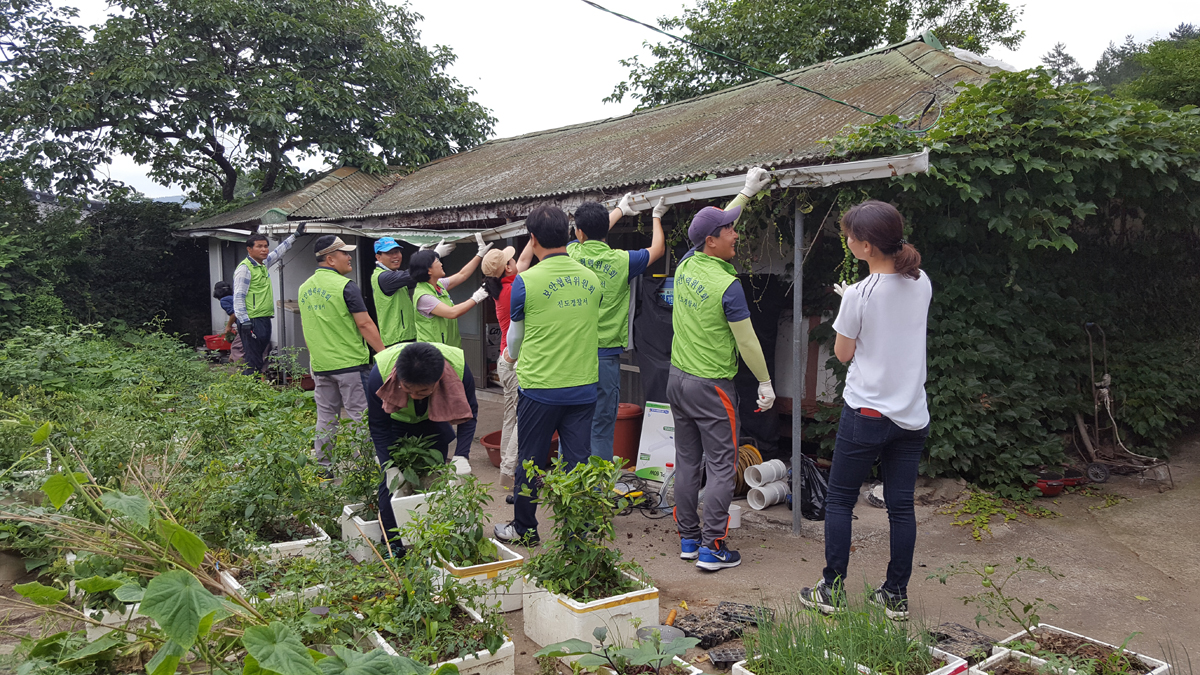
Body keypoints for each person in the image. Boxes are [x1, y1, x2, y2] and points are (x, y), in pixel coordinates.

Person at [799, 200, 931, 621]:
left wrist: (847, 306)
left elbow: (842, 353)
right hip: (912, 414)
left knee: (839, 500)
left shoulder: (859, 294)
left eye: (850, 237)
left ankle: (831, 590)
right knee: (901, 506)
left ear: (868, 246)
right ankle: (895, 595)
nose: (848, 241)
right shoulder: (922, 281)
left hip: (867, 414)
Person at [669, 167, 775, 572]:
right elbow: (748, 341)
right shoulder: (726, 285)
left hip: (677, 380)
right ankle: (714, 548)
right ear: (711, 242)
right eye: (729, 231)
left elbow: (714, 224)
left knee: (687, 462)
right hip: (711, 386)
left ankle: (689, 539)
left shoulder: (687, 264)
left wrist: (746, 193)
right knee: (721, 466)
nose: (736, 233)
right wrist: (765, 382)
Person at [493, 205, 603, 545]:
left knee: (531, 458)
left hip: (540, 387)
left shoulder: (527, 281)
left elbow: (515, 337)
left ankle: (525, 529)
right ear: (569, 235)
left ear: (533, 237)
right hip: (583, 384)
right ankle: (578, 529)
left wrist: (512, 358)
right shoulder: (591, 278)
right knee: (577, 461)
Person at [567, 194, 667, 462]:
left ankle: (569, 490)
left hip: (571, 356)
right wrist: (656, 216)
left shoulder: (571, 253)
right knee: (600, 427)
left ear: (578, 232)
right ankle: (598, 492)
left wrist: (619, 210)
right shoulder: (622, 261)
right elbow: (657, 249)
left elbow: (589, 234)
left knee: (571, 424)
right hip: (605, 358)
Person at [367, 341, 479, 556]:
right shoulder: (379, 373)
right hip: (395, 422)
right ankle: (394, 547)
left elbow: (469, 413)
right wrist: (387, 464)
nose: (415, 396)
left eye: (423, 391)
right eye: (408, 389)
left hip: (434, 418)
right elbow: (378, 425)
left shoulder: (458, 368)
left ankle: (431, 543)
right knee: (390, 487)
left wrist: (462, 455)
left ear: (439, 379)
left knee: (434, 480)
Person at [297, 235, 385, 470]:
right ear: (330, 259)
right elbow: (365, 324)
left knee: (326, 418)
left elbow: (308, 328)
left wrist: (314, 360)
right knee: (361, 417)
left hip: (320, 366)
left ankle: (324, 468)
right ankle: (367, 466)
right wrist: (384, 355)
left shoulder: (304, 288)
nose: (349, 257)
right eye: (344, 253)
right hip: (350, 366)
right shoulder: (346, 286)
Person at [481, 241, 535, 489]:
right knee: (521, 416)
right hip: (513, 361)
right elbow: (523, 265)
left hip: (505, 361)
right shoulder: (514, 290)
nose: (515, 261)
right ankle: (508, 469)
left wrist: (533, 240)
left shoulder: (504, 287)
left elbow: (522, 261)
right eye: (509, 260)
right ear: (508, 269)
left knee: (510, 415)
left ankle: (505, 462)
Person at [233, 224, 304, 376]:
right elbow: (238, 296)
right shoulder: (245, 269)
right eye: (259, 246)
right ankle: (250, 391)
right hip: (251, 320)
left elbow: (278, 253)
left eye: (266, 246)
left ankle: (256, 388)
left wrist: (295, 236)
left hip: (263, 318)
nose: (264, 250)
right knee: (253, 359)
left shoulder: (262, 264)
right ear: (249, 249)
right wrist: (244, 320)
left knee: (260, 357)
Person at [411, 234, 492, 347]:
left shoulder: (438, 285)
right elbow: (452, 312)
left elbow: (462, 275)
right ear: (429, 270)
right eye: (437, 262)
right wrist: (477, 297)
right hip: (433, 354)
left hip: (450, 349)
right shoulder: (424, 296)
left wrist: (480, 254)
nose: (441, 264)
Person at [371, 237, 420, 346]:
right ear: (378, 257)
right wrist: (429, 257)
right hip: (396, 340)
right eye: (389, 253)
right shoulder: (384, 277)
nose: (395, 256)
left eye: (397, 252)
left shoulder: (395, 275)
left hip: (406, 337)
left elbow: (419, 278)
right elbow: (411, 274)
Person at [213, 281, 245, 364]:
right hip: (252, 323)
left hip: (244, 325)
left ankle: (242, 368)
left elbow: (234, 314)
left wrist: (228, 326)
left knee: (236, 347)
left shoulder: (224, 300)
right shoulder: (234, 297)